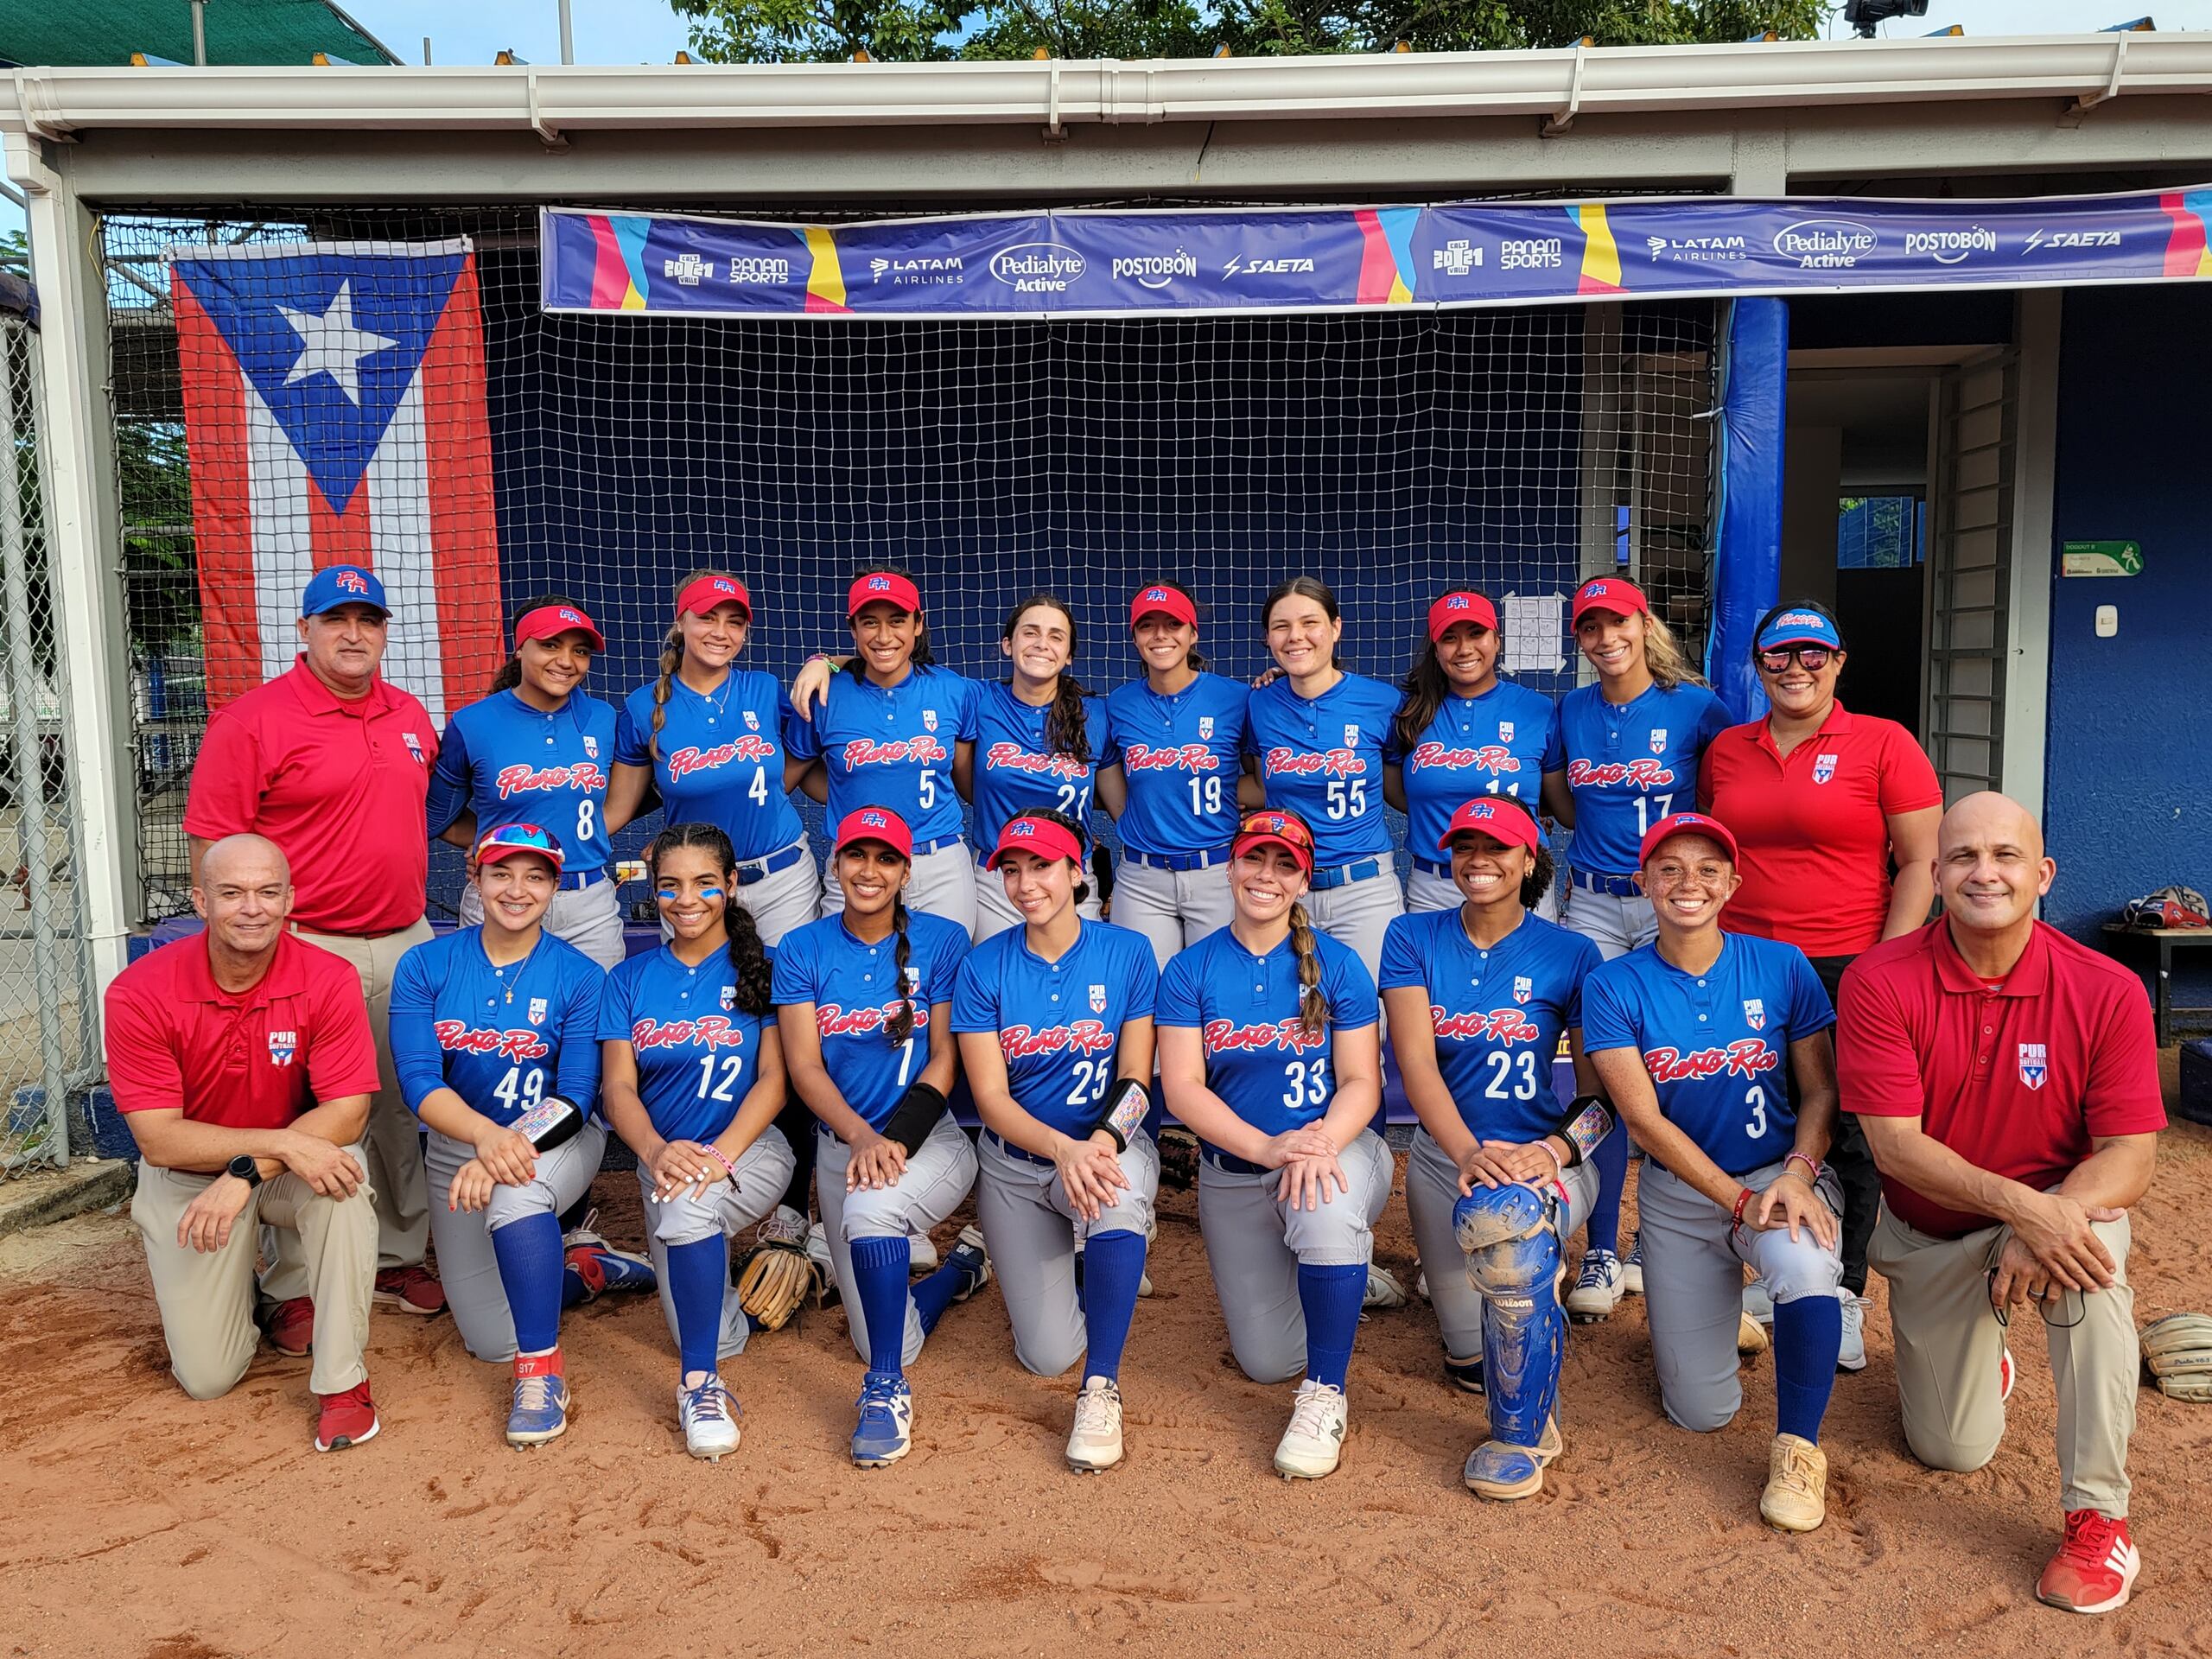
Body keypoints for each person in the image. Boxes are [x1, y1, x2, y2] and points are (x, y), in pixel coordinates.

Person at [1840, 791, 2165, 1615]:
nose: (1984, 872)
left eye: (2006, 855)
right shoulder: (1880, 978)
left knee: (2093, 1268)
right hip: (1935, 1232)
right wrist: (2024, 1209)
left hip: (2063, 1216)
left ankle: (2099, 1520)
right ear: (1935, 874)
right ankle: (1987, 1354)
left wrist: (2045, 1217)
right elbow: (1894, 1147)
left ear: (2044, 874)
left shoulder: (2109, 987)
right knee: (1950, 1450)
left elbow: (2129, 1155)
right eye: (1963, 857)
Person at [182, 563, 446, 1332]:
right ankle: (292, 1279)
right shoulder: (254, 720)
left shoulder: (409, 714)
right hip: (302, 945)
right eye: (336, 619)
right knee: (304, 1109)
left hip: (404, 938)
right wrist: (241, 944)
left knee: (399, 1105)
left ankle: (398, 1256)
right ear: (304, 631)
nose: (354, 633)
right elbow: (214, 845)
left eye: (368, 619)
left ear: (385, 631)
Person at [1582, 811, 1845, 1534]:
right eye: (1668, 869)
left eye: (1706, 868)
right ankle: (1726, 1315)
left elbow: (1821, 1091)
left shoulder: (1781, 963)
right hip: (1684, 1197)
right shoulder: (1613, 984)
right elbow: (1642, 1122)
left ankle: (1799, 1449)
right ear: (1643, 884)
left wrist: (1795, 1174)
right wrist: (1736, 1200)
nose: (1687, 883)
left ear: (1733, 882)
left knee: (1805, 1269)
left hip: (1781, 1175)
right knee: (1700, 1412)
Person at [1700, 600, 1942, 1370]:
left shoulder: (1883, 742)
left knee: (1851, 1132)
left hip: (1847, 962)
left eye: (1814, 654)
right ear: (1758, 663)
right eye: (1779, 654)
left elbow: (1921, 863)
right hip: (1746, 961)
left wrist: (1887, 965)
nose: (1796, 668)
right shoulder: (1729, 749)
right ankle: (1771, 1268)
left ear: (1838, 663)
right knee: (1759, 1118)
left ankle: (1843, 1292)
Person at [103, 835, 383, 1452]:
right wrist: (263, 1152)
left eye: (266, 891)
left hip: (280, 1170)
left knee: (344, 1177)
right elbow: (158, 1139)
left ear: (291, 900)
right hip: (192, 1176)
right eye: (231, 893)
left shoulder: (327, 976)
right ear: (201, 901)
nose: (250, 907)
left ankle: (342, 1384)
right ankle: (259, 1294)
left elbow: (347, 1111)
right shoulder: (139, 991)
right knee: (208, 1377)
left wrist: (246, 1172)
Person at [387, 823, 651, 1448]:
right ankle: (585, 1272)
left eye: (535, 876)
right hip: (462, 1146)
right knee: (487, 1340)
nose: (517, 889)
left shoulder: (582, 975)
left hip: (555, 1141)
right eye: (501, 873)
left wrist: (509, 1149)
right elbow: (418, 1081)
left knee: (516, 1198)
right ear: (475, 878)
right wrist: (484, 1141)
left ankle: (540, 1374)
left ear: (554, 887)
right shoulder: (425, 963)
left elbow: (577, 1094)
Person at [1381, 797, 1607, 1499]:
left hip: (1542, 1162)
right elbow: (1415, 1065)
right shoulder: (1410, 935)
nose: (1480, 861)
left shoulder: (1573, 951)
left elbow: (1599, 1099)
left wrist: (1557, 1152)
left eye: (1498, 848)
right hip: (1446, 1162)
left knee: (1509, 1241)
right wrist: (1466, 1154)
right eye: (1466, 847)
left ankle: (1526, 1434)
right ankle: (1536, 1289)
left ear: (1530, 859)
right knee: (1470, 1357)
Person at [1156, 807, 1389, 1481]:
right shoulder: (1191, 969)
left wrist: (1316, 1143)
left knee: (1321, 1207)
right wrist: (1268, 1148)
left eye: (1285, 864)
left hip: (1333, 1154)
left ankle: (1325, 1394)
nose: (1267, 875)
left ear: (1303, 880)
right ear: (1230, 867)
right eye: (1255, 859)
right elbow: (1183, 1090)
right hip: (1237, 1172)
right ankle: (1339, 1269)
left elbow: (1359, 1083)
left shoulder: (1338, 964)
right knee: (1264, 1360)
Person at [774, 807, 993, 1466]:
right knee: (877, 1333)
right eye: (856, 857)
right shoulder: (801, 948)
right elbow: (804, 1067)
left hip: (929, 1141)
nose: (869, 871)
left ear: (904, 870)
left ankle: (885, 1390)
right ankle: (958, 1270)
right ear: (834, 864)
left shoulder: (944, 939)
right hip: (847, 1149)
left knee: (873, 1223)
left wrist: (889, 1138)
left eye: (885, 859)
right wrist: (861, 1137)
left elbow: (946, 1060)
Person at [1544, 574, 1732, 1323]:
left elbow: (1727, 792)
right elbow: (1562, 799)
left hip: (1670, 900)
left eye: (1615, 623)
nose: (1604, 639)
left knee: (1680, 1060)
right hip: (1592, 898)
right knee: (1602, 1073)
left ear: (1642, 623)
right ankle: (1600, 1246)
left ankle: (1670, 1234)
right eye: (1589, 628)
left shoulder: (1695, 705)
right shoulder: (1572, 708)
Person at [953, 808, 1160, 1471]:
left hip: (1104, 1151)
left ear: (1077, 871)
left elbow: (1136, 1080)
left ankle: (1101, 1386)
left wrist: (1096, 1145)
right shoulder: (984, 967)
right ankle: (993, 1262)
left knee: (1117, 1200)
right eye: (1011, 870)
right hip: (1018, 1168)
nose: (1025, 884)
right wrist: (1061, 1149)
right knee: (1042, 1354)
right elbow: (989, 1100)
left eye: (1041, 866)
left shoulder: (1127, 952)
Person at [600, 822, 800, 1462]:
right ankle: (742, 1293)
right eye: (670, 886)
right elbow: (617, 1091)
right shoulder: (629, 980)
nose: (686, 899)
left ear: (732, 885)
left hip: (750, 1150)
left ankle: (699, 1386)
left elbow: (774, 1082)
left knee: (688, 1213)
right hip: (662, 1163)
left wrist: (718, 1157)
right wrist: (657, 1152)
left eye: (704, 883)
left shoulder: (762, 969)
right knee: (719, 1329)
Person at [607, 572, 820, 946]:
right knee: (698, 998)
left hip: (782, 880)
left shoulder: (764, 689)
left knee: (788, 995)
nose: (721, 632)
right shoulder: (642, 707)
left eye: (734, 622)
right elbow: (616, 810)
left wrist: (826, 660)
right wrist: (526, 842)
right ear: (681, 621)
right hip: (697, 888)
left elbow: (865, 672)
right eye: (707, 617)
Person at [427, 599, 625, 969]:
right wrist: (493, 842)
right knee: (490, 1022)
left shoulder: (604, 718)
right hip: (503, 898)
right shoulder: (474, 723)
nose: (566, 661)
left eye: (580, 651)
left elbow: (625, 798)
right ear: (519, 649)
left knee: (595, 1025)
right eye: (550, 645)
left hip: (588, 908)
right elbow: (434, 815)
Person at [788, 569, 980, 931]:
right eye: (869, 623)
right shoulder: (824, 694)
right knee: (846, 979)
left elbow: (968, 784)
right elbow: (788, 777)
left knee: (945, 981)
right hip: (858, 862)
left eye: (897, 621)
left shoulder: (953, 690)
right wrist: (848, 792)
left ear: (917, 625)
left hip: (938, 863)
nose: (884, 636)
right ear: (853, 629)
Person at [1243, 578, 1403, 977]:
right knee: (1289, 1018)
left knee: (1373, 1020)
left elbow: (1410, 788)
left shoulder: (1382, 702)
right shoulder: (1259, 702)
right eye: (1281, 626)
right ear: (1268, 638)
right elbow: (1259, 783)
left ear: (1335, 628)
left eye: (1310, 623)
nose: (1296, 636)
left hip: (1364, 888)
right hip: (1286, 888)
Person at [1094, 581, 1252, 970]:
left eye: (1173, 624)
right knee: (1144, 997)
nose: (1161, 635)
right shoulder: (1119, 704)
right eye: (1148, 626)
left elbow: (1264, 781)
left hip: (1216, 871)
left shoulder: (1237, 698)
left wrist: (1225, 802)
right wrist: (1135, 821)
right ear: (1134, 637)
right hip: (1142, 877)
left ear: (1193, 633)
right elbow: (1113, 783)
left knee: (1218, 990)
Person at [1386, 590, 1565, 919]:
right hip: (1435, 884)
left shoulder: (1537, 709)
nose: (1464, 648)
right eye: (1450, 638)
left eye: (1476, 634)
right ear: (1436, 650)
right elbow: (1397, 791)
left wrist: (1523, 813)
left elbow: (1554, 797)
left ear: (1497, 640)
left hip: (1519, 879)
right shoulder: (1408, 711)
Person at [965, 595, 1109, 941]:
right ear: (1007, 644)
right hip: (996, 877)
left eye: (1056, 636)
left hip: (1072, 873)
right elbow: (898, 669)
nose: (1042, 644)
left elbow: (1117, 799)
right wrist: (829, 662)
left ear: (1069, 655)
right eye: (1030, 633)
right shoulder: (975, 698)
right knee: (1000, 984)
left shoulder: (1099, 714)